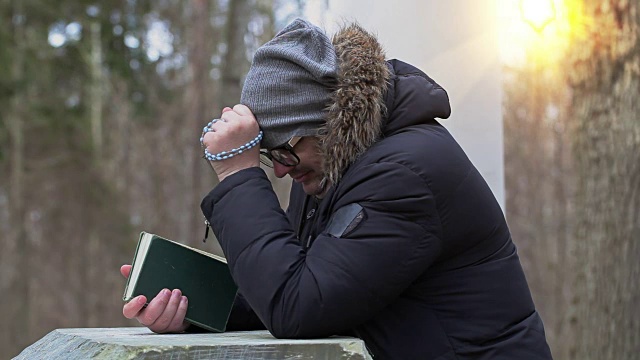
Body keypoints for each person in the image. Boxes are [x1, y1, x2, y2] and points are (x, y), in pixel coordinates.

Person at [121, 19, 553, 359]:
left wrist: (237, 174)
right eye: (269, 158)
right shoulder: (332, 169)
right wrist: (193, 308)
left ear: (327, 125)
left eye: (283, 153)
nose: (281, 172)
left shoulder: (405, 174)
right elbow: (299, 286)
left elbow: (299, 307)